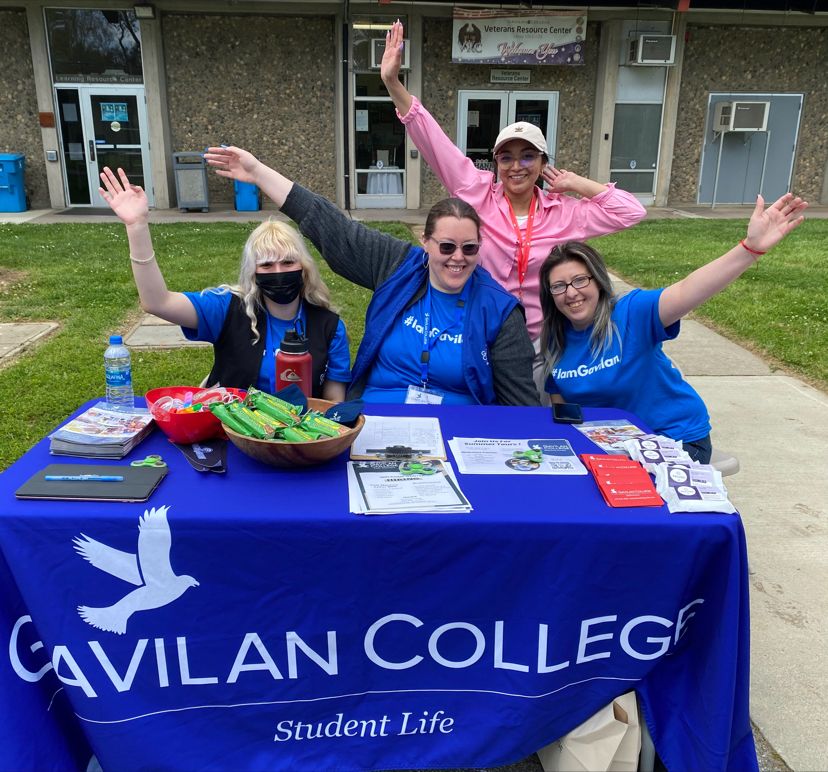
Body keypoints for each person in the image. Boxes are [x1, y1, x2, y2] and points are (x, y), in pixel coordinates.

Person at [379, 20, 647, 355]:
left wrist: (576, 183)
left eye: (527, 157)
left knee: (533, 408)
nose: (516, 166)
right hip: (482, 332)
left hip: (541, 340)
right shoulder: (476, 192)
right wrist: (393, 82)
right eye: (506, 157)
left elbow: (631, 211)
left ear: (542, 163)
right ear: (496, 163)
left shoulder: (566, 214)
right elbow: (433, 140)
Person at [202, 147, 539, 407]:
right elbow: (334, 228)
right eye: (447, 246)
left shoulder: (499, 311)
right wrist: (259, 173)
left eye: (470, 249)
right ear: (425, 242)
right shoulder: (398, 267)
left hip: (455, 430)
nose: (458, 259)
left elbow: (519, 407)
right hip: (376, 417)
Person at [538, 193, 808, 462]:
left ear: (598, 281)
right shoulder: (555, 338)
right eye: (559, 286)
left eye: (580, 280)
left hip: (672, 437)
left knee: (630, 498)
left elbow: (688, 289)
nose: (571, 293)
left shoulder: (632, 312)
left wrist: (750, 248)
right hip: (613, 446)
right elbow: (564, 410)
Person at [98, 166, 351, 401]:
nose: (278, 271)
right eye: (266, 265)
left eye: (287, 262)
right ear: (253, 273)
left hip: (300, 439)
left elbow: (333, 404)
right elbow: (157, 302)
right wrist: (137, 227)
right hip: (230, 434)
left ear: (304, 268)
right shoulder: (228, 308)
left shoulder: (329, 327)